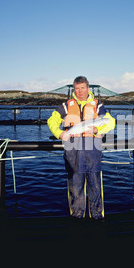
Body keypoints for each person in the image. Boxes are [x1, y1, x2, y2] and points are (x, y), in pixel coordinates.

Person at [47, 76, 115, 220]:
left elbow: (110, 122)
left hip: (93, 152)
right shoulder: (65, 106)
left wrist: (98, 130)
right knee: (75, 187)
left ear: (88, 88)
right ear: (74, 90)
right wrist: (59, 134)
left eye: (82, 88)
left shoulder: (98, 106)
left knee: (95, 186)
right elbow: (52, 120)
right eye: (77, 88)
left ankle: (97, 217)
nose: (80, 91)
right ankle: (77, 217)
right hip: (73, 153)